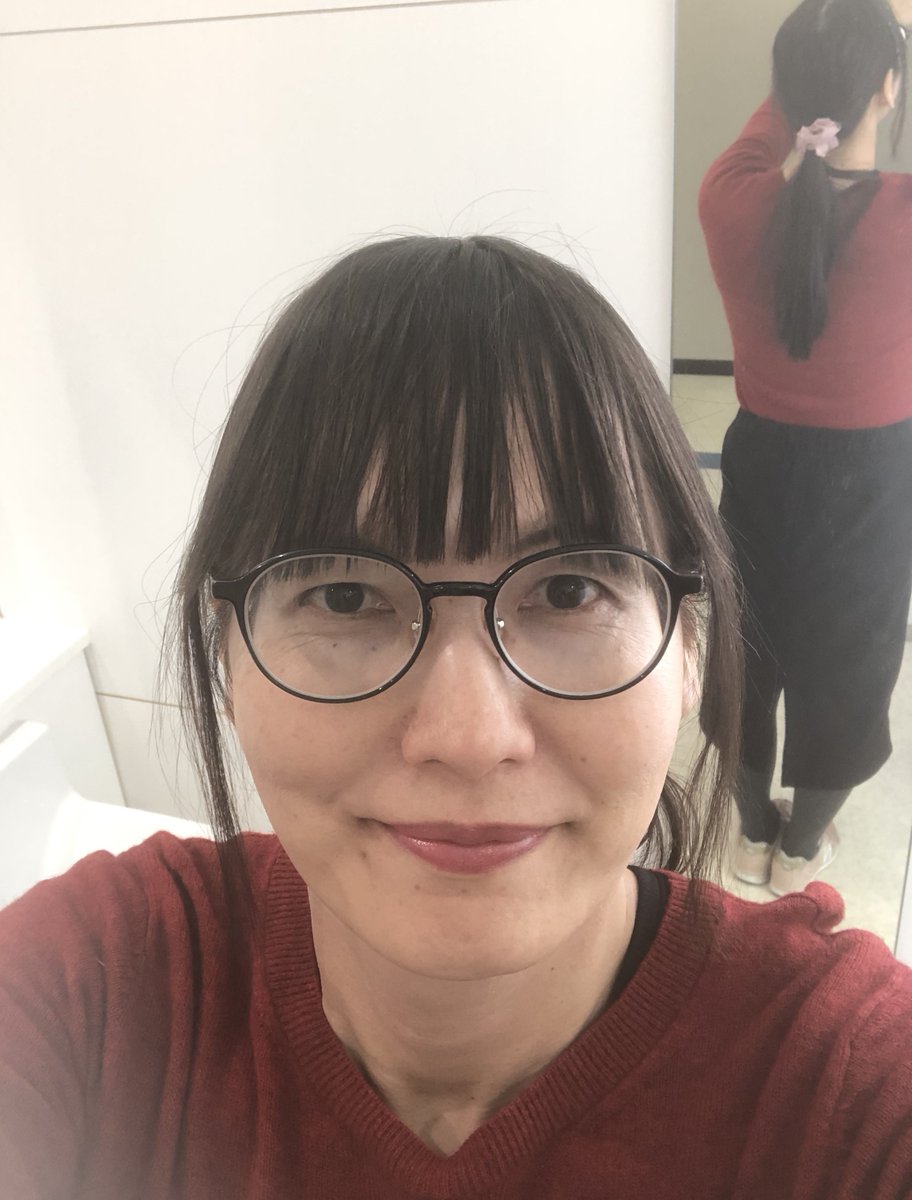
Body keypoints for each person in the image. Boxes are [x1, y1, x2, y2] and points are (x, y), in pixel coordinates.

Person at [1, 235, 911, 1199]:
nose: (469, 739)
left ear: (688, 643)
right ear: (226, 652)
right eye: (346, 598)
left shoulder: (843, 1081)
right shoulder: (102, 979)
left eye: (569, 590)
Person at [699, 0, 912, 896]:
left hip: (762, 458)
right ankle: (799, 853)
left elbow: (782, 116)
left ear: (785, 95)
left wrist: (831, 56)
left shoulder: (730, 199)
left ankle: (750, 834)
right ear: (888, 91)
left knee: (747, 641)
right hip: (876, 473)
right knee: (852, 657)